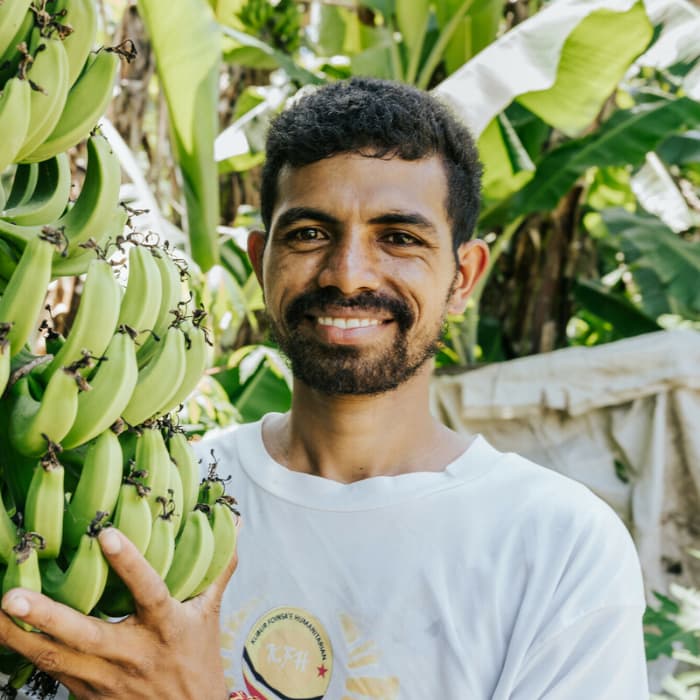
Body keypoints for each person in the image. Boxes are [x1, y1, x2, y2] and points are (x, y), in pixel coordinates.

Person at [0, 78, 647, 699]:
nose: (347, 273)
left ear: (463, 276)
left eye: (399, 238)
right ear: (260, 261)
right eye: (310, 234)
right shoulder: (156, 496)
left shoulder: (555, 544)